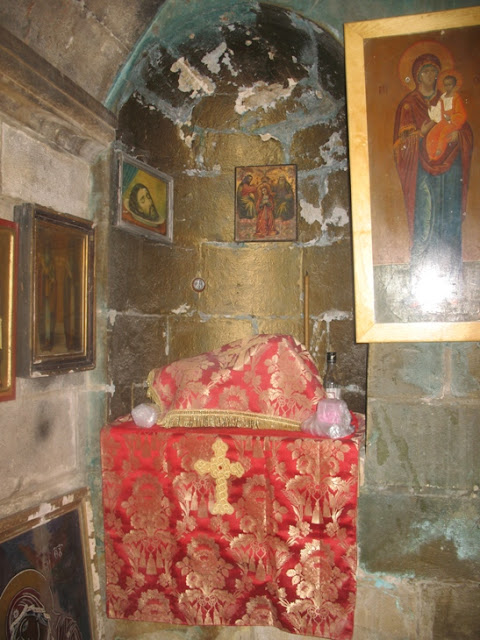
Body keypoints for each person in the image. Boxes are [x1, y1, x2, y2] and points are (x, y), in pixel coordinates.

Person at [393, 52, 473, 299]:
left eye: (435, 72)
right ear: (417, 75)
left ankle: (453, 289)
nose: (432, 75)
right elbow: (400, 146)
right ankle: (418, 290)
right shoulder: (409, 104)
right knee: (425, 225)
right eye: (427, 71)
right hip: (422, 173)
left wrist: (458, 136)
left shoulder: (448, 99)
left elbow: (466, 131)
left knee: (449, 224)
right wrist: (421, 133)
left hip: (450, 171)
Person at [426, 71, 467, 162]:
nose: (447, 87)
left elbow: (462, 114)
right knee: (432, 133)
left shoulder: (456, 98)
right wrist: (431, 108)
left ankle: (439, 152)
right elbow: (438, 110)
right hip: (443, 122)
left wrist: (451, 118)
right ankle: (431, 155)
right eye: (445, 85)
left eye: (449, 85)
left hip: (453, 123)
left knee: (443, 133)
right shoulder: (443, 97)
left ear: (454, 85)